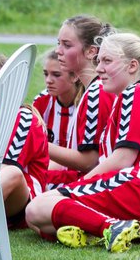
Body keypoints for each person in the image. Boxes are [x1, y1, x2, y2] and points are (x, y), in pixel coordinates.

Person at [25, 33, 140, 252]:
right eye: (99, 61)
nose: (99, 68)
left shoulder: (137, 91)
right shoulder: (133, 95)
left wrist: (73, 189)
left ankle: (112, 227)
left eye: (107, 61)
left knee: (37, 208)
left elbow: (122, 159)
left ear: (132, 66)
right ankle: (97, 231)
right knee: (36, 217)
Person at [0, 53, 49, 223]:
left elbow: (6, 170)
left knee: (11, 173)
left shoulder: (24, 118)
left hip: (21, 201)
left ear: (7, 80)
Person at [46, 14, 116, 175]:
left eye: (67, 45)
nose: (58, 51)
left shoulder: (97, 93)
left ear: (91, 51)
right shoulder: (93, 90)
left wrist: (36, 142)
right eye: (58, 43)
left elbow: (88, 162)